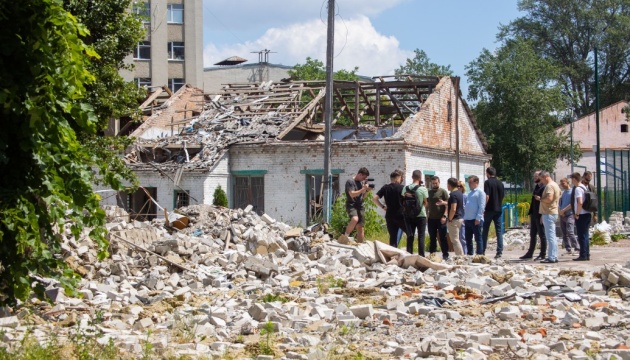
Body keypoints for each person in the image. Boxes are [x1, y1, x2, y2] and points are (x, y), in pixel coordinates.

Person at [519, 171, 547, 260]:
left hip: (540, 214)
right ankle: (530, 252)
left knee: (542, 234)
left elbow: (545, 202)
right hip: (534, 214)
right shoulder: (537, 187)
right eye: (534, 176)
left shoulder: (544, 187)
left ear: (541, 176)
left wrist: (543, 214)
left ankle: (543, 254)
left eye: (536, 176)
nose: (534, 178)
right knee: (532, 234)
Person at [373, 170, 405, 247]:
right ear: (398, 178)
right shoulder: (402, 188)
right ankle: (410, 253)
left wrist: (383, 207)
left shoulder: (385, 188)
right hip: (401, 215)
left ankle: (392, 256)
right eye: (401, 178)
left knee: (393, 238)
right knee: (410, 234)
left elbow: (374, 199)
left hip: (390, 216)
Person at [339, 167, 371, 244]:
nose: (363, 179)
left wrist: (367, 191)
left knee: (360, 227)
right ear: (360, 174)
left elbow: (363, 196)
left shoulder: (361, 183)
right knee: (355, 219)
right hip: (351, 204)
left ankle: (360, 244)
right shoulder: (350, 182)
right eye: (363, 177)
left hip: (360, 205)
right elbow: (352, 194)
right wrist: (363, 189)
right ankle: (345, 236)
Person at [401, 170, 429, 256]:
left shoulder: (405, 188)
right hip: (421, 215)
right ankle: (421, 256)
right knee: (421, 236)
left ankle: (409, 255)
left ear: (412, 177)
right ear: (420, 178)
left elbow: (403, 199)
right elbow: (426, 202)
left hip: (409, 215)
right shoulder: (423, 189)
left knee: (410, 235)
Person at [482, 167, 505, 259]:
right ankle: (499, 251)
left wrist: (483, 208)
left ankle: (482, 250)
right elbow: (502, 195)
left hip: (489, 209)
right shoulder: (500, 183)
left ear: (487, 173)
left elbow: (487, 196)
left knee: (485, 230)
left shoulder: (487, 182)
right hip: (498, 209)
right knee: (499, 231)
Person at [538, 171, 561, 263]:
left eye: (541, 179)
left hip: (549, 213)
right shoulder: (555, 185)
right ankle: (554, 256)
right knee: (553, 236)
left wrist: (540, 199)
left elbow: (549, 198)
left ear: (546, 177)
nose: (541, 181)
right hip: (553, 212)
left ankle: (551, 257)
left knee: (550, 236)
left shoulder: (549, 186)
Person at [426, 176, 449, 259]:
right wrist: (426, 215)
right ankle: (432, 255)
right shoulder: (429, 192)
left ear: (439, 182)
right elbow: (427, 205)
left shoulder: (443, 192)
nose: (434, 185)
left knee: (443, 237)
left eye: (436, 183)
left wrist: (445, 216)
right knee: (432, 238)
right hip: (431, 218)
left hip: (441, 218)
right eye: (433, 183)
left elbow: (448, 204)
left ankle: (445, 255)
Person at [569, 172, 591, 261]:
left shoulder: (578, 189)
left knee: (581, 236)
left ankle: (583, 255)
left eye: (572, 180)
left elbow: (580, 202)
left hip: (581, 214)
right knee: (585, 235)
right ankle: (586, 254)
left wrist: (577, 214)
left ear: (574, 179)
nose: (571, 182)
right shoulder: (584, 187)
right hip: (587, 213)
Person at [463, 175, 485, 255]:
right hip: (468, 219)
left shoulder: (480, 192)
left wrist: (478, 218)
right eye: (468, 182)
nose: (469, 184)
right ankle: (470, 253)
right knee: (468, 238)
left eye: (470, 182)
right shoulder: (469, 194)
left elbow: (482, 206)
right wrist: (465, 217)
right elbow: (467, 205)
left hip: (476, 219)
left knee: (478, 238)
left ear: (476, 182)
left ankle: (479, 254)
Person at [558, 177, 580, 255]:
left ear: (568, 183)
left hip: (570, 214)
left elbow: (572, 203)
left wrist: (564, 210)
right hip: (562, 215)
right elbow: (559, 203)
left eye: (563, 183)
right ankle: (568, 249)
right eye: (561, 183)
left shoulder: (572, 192)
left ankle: (577, 248)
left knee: (570, 231)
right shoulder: (563, 193)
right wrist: (560, 211)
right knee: (564, 233)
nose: (562, 185)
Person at [445, 177, 465, 256]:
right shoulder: (460, 193)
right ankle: (461, 255)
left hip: (454, 219)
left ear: (449, 185)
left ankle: (460, 256)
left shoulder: (453, 195)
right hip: (460, 218)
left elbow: (453, 209)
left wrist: (449, 219)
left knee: (455, 240)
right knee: (457, 239)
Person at [458, 181, 468, 253]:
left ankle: (465, 253)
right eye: (457, 186)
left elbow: (467, 208)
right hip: (457, 218)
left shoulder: (465, 196)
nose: (458, 187)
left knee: (463, 237)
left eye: (460, 186)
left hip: (463, 218)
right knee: (458, 238)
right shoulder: (456, 195)